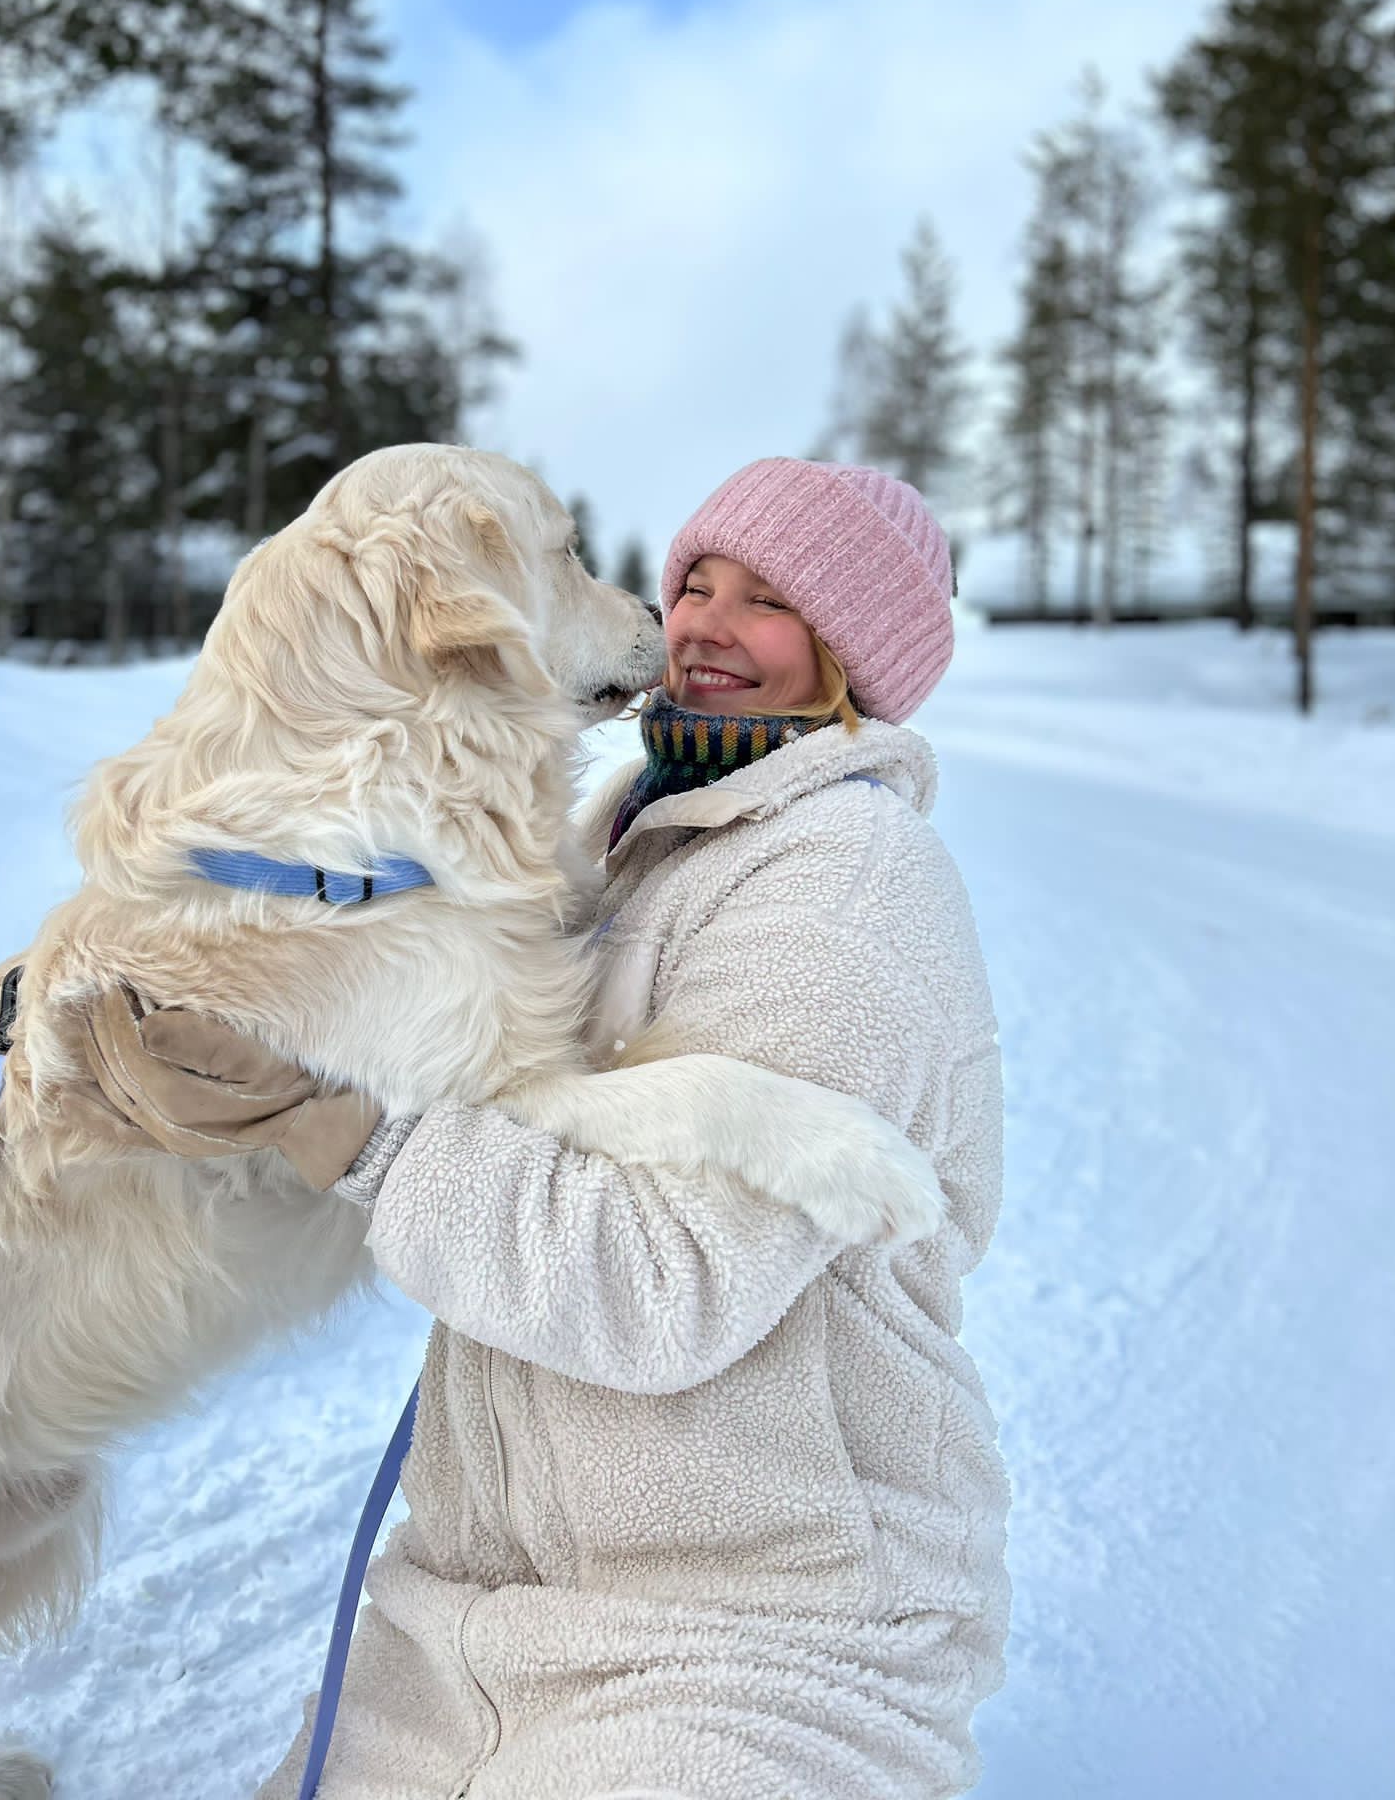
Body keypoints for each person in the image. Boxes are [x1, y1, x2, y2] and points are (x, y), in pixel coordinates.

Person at [78, 456, 1011, 1800]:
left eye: (771, 604)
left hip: (760, 1638)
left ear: (854, 655)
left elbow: (661, 1288)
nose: (699, 622)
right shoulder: (636, 833)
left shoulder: (843, 887)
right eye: (697, 581)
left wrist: (354, 1133)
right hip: (468, 1616)